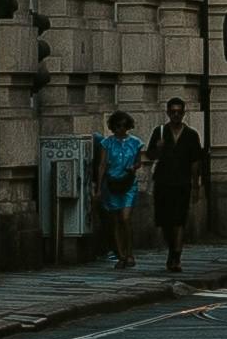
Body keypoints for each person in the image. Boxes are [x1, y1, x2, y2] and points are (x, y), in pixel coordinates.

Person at [148, 94, 209, 287]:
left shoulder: (191, 135)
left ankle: (176, 256)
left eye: (178, 112)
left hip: (182, 183)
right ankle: (171, 248)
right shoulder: (160, 132)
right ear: (167, 113)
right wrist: (158, 149)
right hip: (163, 182)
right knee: (164, 221)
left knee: (179, 220)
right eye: (172, 112)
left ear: (183, 113)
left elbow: (195, 161)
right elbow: (150, 155)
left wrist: (196, 184)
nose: (175, 115)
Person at [89, 101, 145, 269]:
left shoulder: (135, 142)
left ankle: (130, 253)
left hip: (128, 183)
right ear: (113, 127)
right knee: (115, 221)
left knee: (126, 218)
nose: (120, 129)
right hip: (112, 183)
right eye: (117, 126)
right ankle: (120, 254)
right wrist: (99, 187)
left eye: (123, 125)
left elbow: (139, 162)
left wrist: (133, 167)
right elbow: (102, 165)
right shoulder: (107, 143)